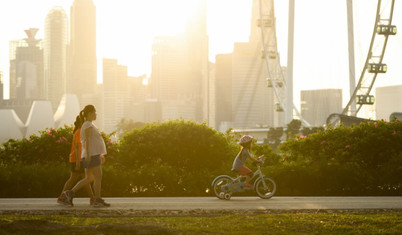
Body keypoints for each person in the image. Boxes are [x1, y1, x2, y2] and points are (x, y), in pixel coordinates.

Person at [64, 105, 110, 207]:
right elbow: (88, 141)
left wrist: (100, 154)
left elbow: (93, 141)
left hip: (90, 154)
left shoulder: (87, 124)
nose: (96, 114)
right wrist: (89, 155)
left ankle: (70, 193)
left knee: (89, 178)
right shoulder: (88, 125)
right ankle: (97, 199)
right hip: (91, 155)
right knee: (98, 177)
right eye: (94, 112)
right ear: (89, 113)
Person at [57, 115, 94, 205]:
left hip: (80, 159)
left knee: (84, 179)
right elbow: (77, 148)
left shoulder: (80, 131)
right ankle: (62, 197)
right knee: (76, 179)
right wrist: (78, 162)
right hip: (77, 159)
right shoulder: (79, 132)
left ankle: (92, 198)